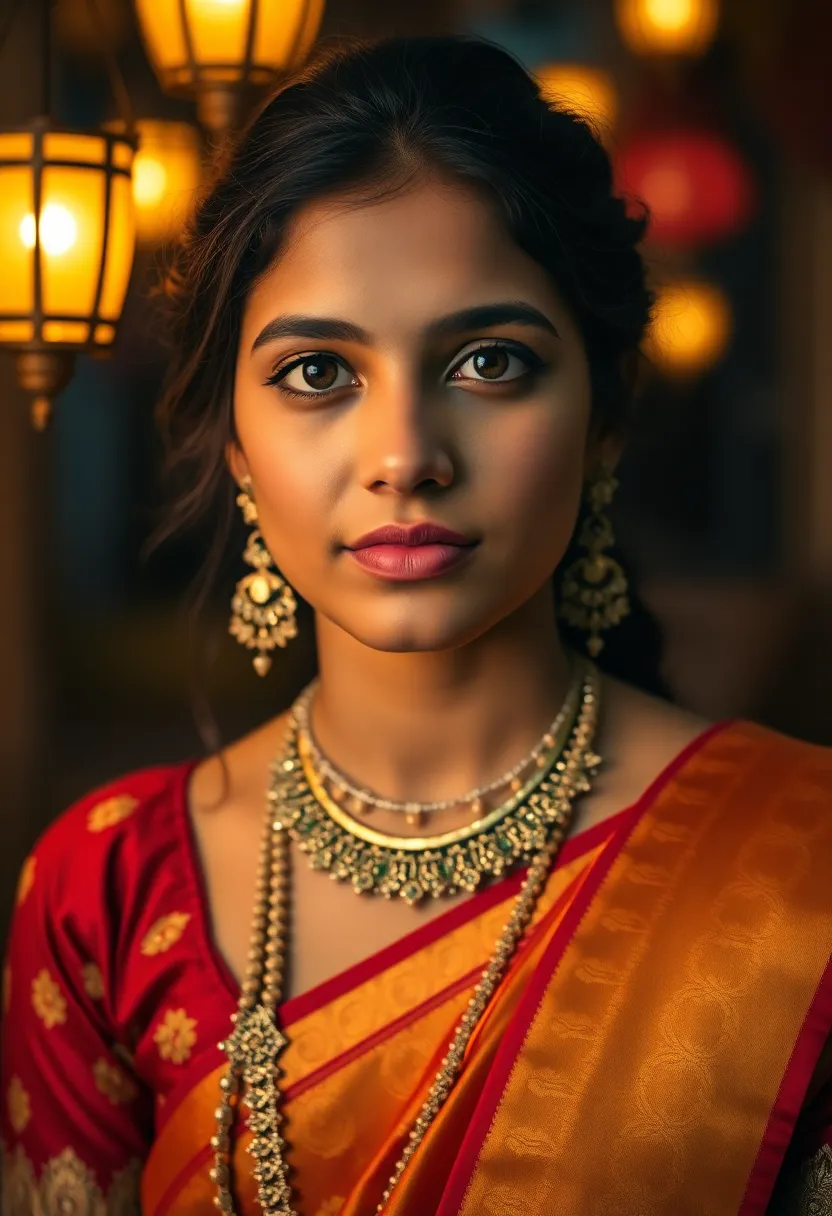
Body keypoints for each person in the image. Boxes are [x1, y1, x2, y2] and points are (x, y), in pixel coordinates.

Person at [2, 33, 831, 1216]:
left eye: (489, 362)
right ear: (234, 443)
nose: (405, 455)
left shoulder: (801, 866)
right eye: (317, 373)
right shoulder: (109, 892)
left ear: (603, 419)